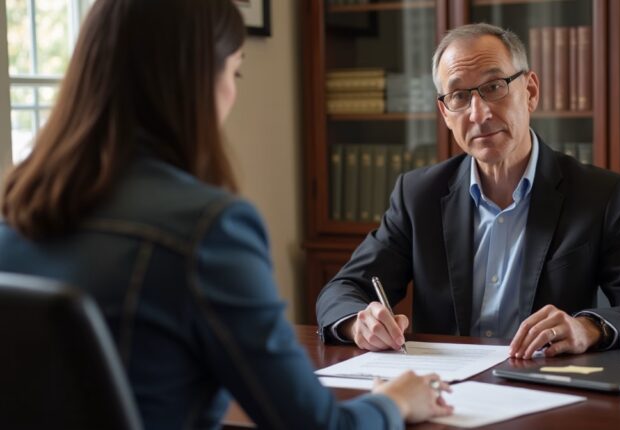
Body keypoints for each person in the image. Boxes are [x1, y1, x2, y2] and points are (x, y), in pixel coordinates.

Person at [0, 0, 453, 429]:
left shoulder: (15, 207)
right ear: (195, 82)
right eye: (234, 71)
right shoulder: (208, 229)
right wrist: (396, 400)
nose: (233, 93)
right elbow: (315, 423)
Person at [316, 23, 620, 359]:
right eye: (459, 95)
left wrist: (588, 328)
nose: (479, 113)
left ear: (531, 91)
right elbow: (343, 290)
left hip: (549, 394)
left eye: (494, 87)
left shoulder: (600, 195)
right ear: (445, 113)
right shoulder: (419, 195)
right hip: (447, 395)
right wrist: (358, 323)